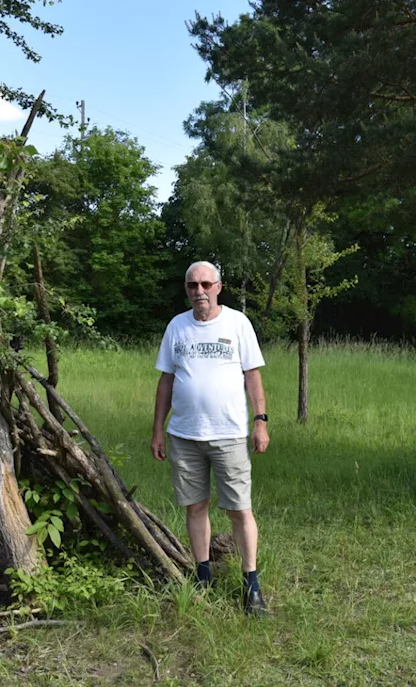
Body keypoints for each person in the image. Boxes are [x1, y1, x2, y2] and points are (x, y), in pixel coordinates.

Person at [151, 261, 270, 615]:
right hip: (184, 435)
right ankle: (203, 576)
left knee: (239, 509)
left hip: (229, 433)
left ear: (219, 286)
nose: (199, 291)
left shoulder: (237, 323)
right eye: (192, 285)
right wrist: (157, 428)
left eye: (205, 284)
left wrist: (260, 421)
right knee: (195, 506)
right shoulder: (177, 327)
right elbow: (166, 382)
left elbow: (253, 376)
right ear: (186, 289)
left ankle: (251, 585)